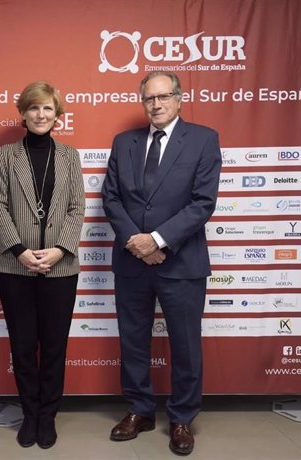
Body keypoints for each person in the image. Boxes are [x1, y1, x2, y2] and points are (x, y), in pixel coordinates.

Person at [101, 71, 221, 456]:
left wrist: (156, 240)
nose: (156, 104)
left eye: (163, 96)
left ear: (179, 99)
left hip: (182, 261)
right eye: (149, 98)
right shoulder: (124, 142)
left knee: (185, 345)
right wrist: (138, 243)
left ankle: (182, 417)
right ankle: (139, 410)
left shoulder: (204, 139)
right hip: (132, 261)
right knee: (133, 341)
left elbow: (203, 203)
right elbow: (111, 198)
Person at [0, 81, 85, 449]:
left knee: (55, 346)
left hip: (60, 268)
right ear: (23, 114)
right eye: (33, 108)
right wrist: (19, 250)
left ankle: (48, 417)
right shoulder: (6, 155)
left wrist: (61, 249)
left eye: (47, 109)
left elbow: (77, 207)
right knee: (24, 345)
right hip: (15, 267)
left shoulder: (70, 155)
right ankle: (29, 416)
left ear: (57, 115)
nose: (40, 115)